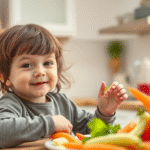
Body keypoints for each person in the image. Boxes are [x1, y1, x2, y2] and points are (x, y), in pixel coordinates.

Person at [0, 24, 128, 148]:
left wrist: (104, 112)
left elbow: (91, 132)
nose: (40, 72)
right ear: (5, 77)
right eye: (27, 65)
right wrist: (50, 123)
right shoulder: (11, 104)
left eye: (47, 63)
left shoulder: (63, 103)